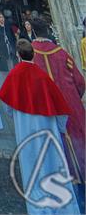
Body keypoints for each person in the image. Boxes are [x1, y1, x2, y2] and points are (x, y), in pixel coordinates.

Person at [0, 39, 80, 215]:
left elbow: (7, 106)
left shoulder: (13, 75)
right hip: (48, 132)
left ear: (18, 55)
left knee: (32, 170)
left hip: (25, 133)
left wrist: (17, 116)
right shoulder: (43, 76)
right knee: (54, 167)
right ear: (34, 55)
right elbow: (60, 109)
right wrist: (61, 128)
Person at [31, 19, 85, 193]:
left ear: (33, 31)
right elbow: (80, 81)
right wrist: (75, 97)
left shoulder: (30, 55)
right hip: (70, 106)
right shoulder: (62, 53)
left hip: (46, 108)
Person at [0, 11, 15, 85]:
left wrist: (15, 49)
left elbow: (12, 38)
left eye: (3, 17)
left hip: (10, 50)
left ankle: (13, 83)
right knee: (3, 71)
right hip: (1, 51)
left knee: (12, 68)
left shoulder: (7, 25)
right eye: (0, 17)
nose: (2, 19)